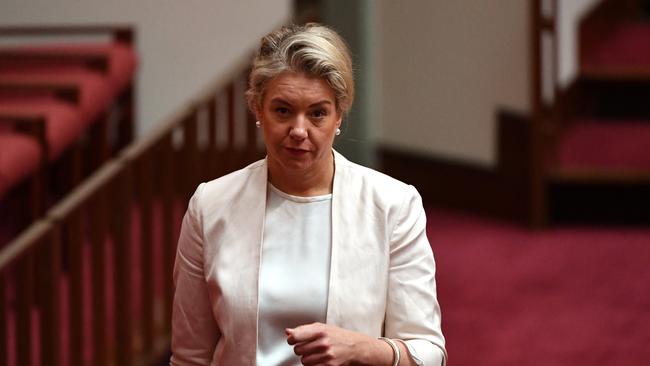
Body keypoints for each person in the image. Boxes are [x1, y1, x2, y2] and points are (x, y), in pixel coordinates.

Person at [171, 23, 447, 366]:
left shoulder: (393, 205)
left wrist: (362, 349)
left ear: (339, 116)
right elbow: (189, 357)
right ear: (258, 109)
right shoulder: (210, 206)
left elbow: (429, 353)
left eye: (317, 113)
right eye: (283, 110)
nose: (299, 131)